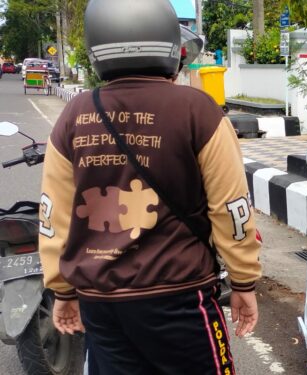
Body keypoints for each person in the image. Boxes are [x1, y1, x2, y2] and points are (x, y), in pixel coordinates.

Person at [38, 1, 261, 374]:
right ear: (171, 44)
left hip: (101, 302)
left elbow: (53, 216)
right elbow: (232, 208)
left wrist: (62, 290)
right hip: (179, 297)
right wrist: (243, 282)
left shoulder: (73, 116)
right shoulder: (198, 111)